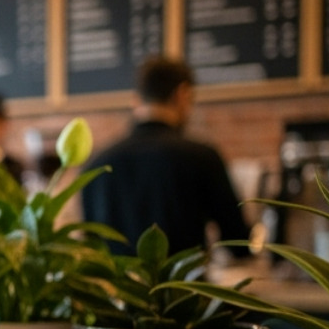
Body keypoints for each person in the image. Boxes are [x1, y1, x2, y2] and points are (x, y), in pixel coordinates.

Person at [81, 57, 251, 256]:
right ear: (182, 94)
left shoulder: (97, 164)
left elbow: (91, 245)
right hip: (183, 286)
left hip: (119, 286)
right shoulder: (202, 157)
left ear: (136, 100)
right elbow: (237, 242)